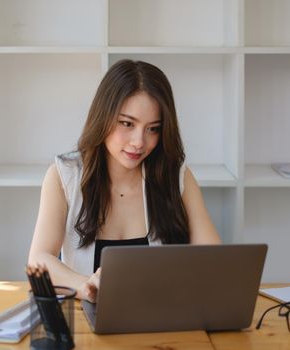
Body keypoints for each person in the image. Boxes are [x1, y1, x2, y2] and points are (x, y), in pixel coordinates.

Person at [28, 59, 221, 303]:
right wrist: (86, 286)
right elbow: (39, 259)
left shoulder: (176, 175)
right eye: (127, 124)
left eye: (153, 128)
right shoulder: (63, 176)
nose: (139, 141)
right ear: (104, 117)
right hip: (88, 322)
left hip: (162, 318)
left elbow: (214, 259)